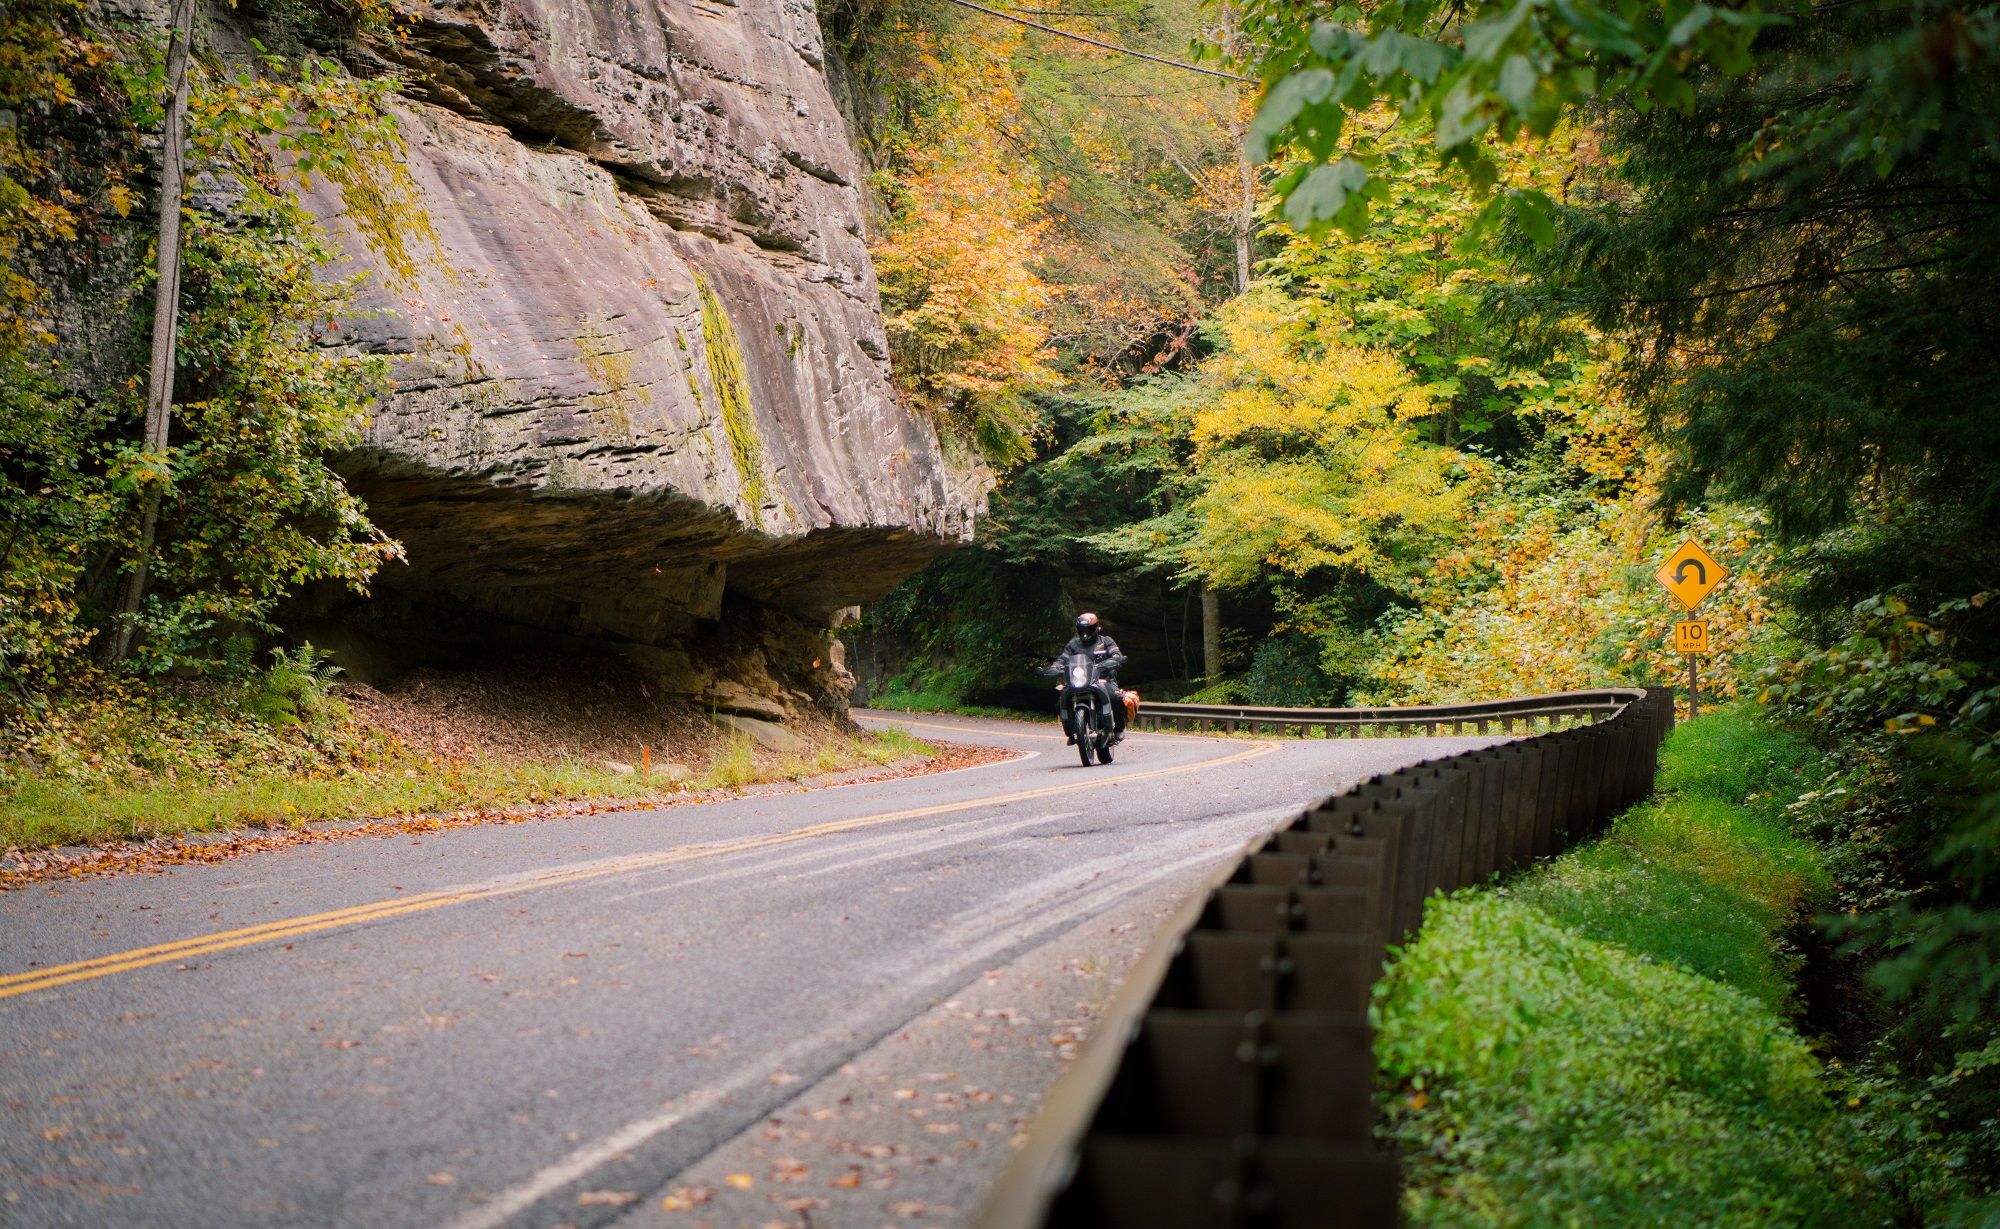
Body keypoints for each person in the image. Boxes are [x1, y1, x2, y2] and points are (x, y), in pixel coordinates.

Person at [1049, 612, 1126, 743]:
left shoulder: (1105, 641)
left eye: (1089, 629)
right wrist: (1055, 667)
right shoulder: (1073, 644)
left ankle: (1119, 728)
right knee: (1061, 700)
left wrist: (1114, 660)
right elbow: (1063, 658)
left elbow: (1115, 653)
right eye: (1082, 630)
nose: (1085, 633)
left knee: (1115, 697)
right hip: (1078, 681)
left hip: (1103, 679)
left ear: (1096, 628)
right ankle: (1071, 730)